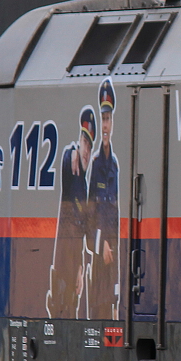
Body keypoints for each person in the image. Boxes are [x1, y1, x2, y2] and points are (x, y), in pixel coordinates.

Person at [49, 107, 95, 319]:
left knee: (72, 313)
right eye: (84, 143)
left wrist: (81, 270)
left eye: (89, 146)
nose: (86, 151)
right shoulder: (72, 164)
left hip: (73, 265)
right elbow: (68, 159)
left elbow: (84, 234)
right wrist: (74, 153)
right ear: (79, 141)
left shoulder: (85, 189)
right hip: (61, 267)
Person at [88, 79, 120, 320]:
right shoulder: (96, 165)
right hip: (99, 265)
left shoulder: (115, 167)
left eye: (109, 119)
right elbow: (87, 220)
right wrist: (102, 245)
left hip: (114, 264)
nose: (106, 125)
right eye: (103, 119)